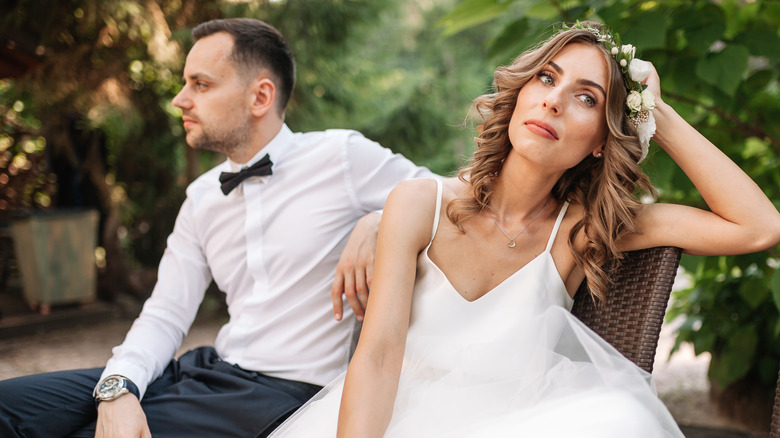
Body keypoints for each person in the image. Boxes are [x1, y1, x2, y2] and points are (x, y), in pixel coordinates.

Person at [267, 22, 780, 438]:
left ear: (603, 138)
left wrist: (657, 115)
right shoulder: (418, 205)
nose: (554, 101)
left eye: (587, 98)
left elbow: (758, 227)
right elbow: (377, 359)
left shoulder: (583, 231)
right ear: (521, 92)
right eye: (547, 78)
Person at [0, 17, 433, 438]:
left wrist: (383, 219)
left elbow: (455, 198)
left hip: (283, 392)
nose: (179, 99)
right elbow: (166, 313)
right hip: (206, 367)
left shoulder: (341, 157)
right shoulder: (202, 196)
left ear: (260, 96)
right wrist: (122, 386)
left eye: (201, 84)